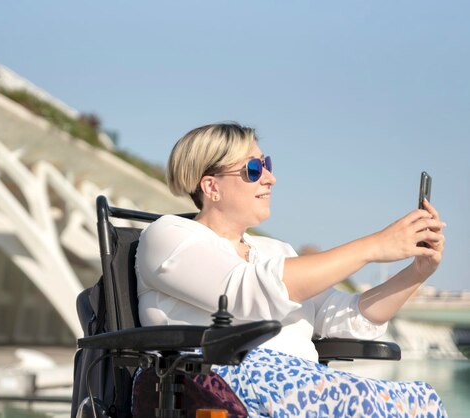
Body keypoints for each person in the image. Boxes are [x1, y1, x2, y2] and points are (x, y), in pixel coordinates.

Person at [135, 123, 447, 417]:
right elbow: (246, 292)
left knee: (422, 401)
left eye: (266, 164)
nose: (270, 178)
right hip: (214, 384)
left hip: (297, 384)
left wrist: (416, 273)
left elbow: (346, 317)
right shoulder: (168, 235)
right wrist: (374, 246)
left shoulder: (275, 251)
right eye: (253, 170)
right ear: (211, 187)